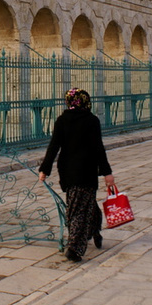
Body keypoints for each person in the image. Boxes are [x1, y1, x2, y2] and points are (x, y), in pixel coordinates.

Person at [38, 88, 115, 263]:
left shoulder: (62, 120)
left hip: (68, 171)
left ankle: (79, 243)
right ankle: (83, 240)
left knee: (77, 207)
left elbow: (53, 147)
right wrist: (107, 173)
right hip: (87, 171)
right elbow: (98, 149)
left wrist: (45, 169)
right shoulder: (91, 120)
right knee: (81, 206)